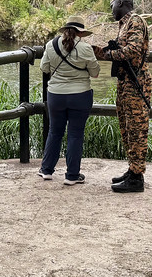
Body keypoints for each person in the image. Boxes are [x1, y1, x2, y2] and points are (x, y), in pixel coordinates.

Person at [93, 0, 151, 193]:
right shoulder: (125, 24)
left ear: (121, 3)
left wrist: (109, 54)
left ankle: (137, 178)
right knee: (127, 127)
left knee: (136, 129)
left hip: (136, 83)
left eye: (112, 6)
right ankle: (133, 169)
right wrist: (97, 50)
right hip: (126, 82)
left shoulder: (134, 21)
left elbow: (133, 50)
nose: (111, 10)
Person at [38, 16, 100, 185]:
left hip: (55, 95)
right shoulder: (86, 48)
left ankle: (46, 170)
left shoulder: (51, 45)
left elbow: (44, 68)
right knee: (75, 135)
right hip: (80, 96)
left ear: (64, 30)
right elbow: (95, 73)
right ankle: (72, 176)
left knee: (54, 132)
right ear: (81, 33)